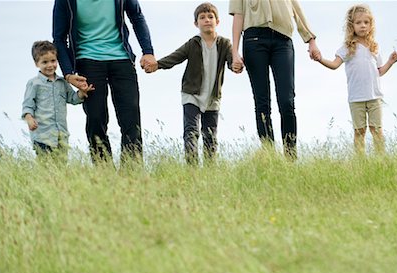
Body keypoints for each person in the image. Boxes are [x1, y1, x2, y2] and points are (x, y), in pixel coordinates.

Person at [53, 0, 157, 163]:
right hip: (87, 60)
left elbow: (136, 16)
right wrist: (68, 73)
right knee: (95, 118)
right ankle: (103, 172)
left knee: (131, 117)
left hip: (121, 58)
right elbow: (59, 38)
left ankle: (132, 173)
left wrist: (148, 51)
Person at [145, 3, 240, 165]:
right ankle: (192, 168)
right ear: (196, 24)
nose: (207, 20)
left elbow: (233, 62)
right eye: (202, 18)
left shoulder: (224, 44)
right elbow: (175, 57)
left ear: (217, 21)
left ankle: (211, 168)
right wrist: (157, 65)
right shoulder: (193, 43)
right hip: (191, 95)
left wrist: (236, 66)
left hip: (212, 97)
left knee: (210, 134)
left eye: (210, 17)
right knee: (191, 131)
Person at [230, 0, 320, 159]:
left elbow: (296, 10)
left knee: (287, 101)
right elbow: (238, 15)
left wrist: (311, 40)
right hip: (254, 40)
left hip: (283, 41)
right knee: (262, 102)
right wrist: (234, 53)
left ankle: (291, 156)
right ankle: (269, 156)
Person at [315, 4, 397, 154]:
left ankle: (381, 161)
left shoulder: (374, 47)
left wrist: (390, 62)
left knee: (377, 131)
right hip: (356, 98)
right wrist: (320, 59)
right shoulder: (348, 47)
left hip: (375, 96)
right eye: (358, 22)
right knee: (359, 132)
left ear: (370, 25)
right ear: (351, 25)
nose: (362, 26)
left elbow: (379, 71)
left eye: (366, 23)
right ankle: (360, 163)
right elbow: (334, 65)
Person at [22, 41, 93, 160]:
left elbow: (72, 98)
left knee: (61, 166)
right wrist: (29, 118)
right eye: (45, 62)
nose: (50, 65)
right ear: (36, 63)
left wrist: (81, 92)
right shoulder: (34, 84)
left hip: (61, 135)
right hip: (42, 135)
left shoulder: (62, 82)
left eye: (53, 61)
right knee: (46, 166)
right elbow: (28, 105)